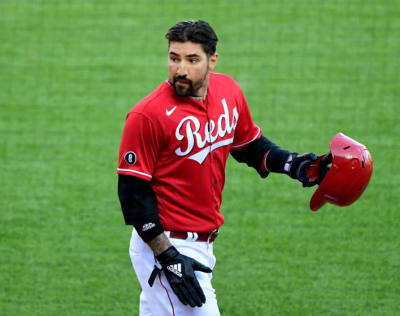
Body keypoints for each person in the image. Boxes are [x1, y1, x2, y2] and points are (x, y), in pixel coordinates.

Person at [117, 20, 319, 316]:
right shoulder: (147, 115)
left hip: (202, 243)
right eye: (174, 58)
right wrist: (167, 257)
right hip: (166, 244)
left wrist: (292, 163)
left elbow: (249, 145)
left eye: (192, 60)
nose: (181, 69)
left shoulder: (228, 91)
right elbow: (133, 195)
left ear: (212, 60)